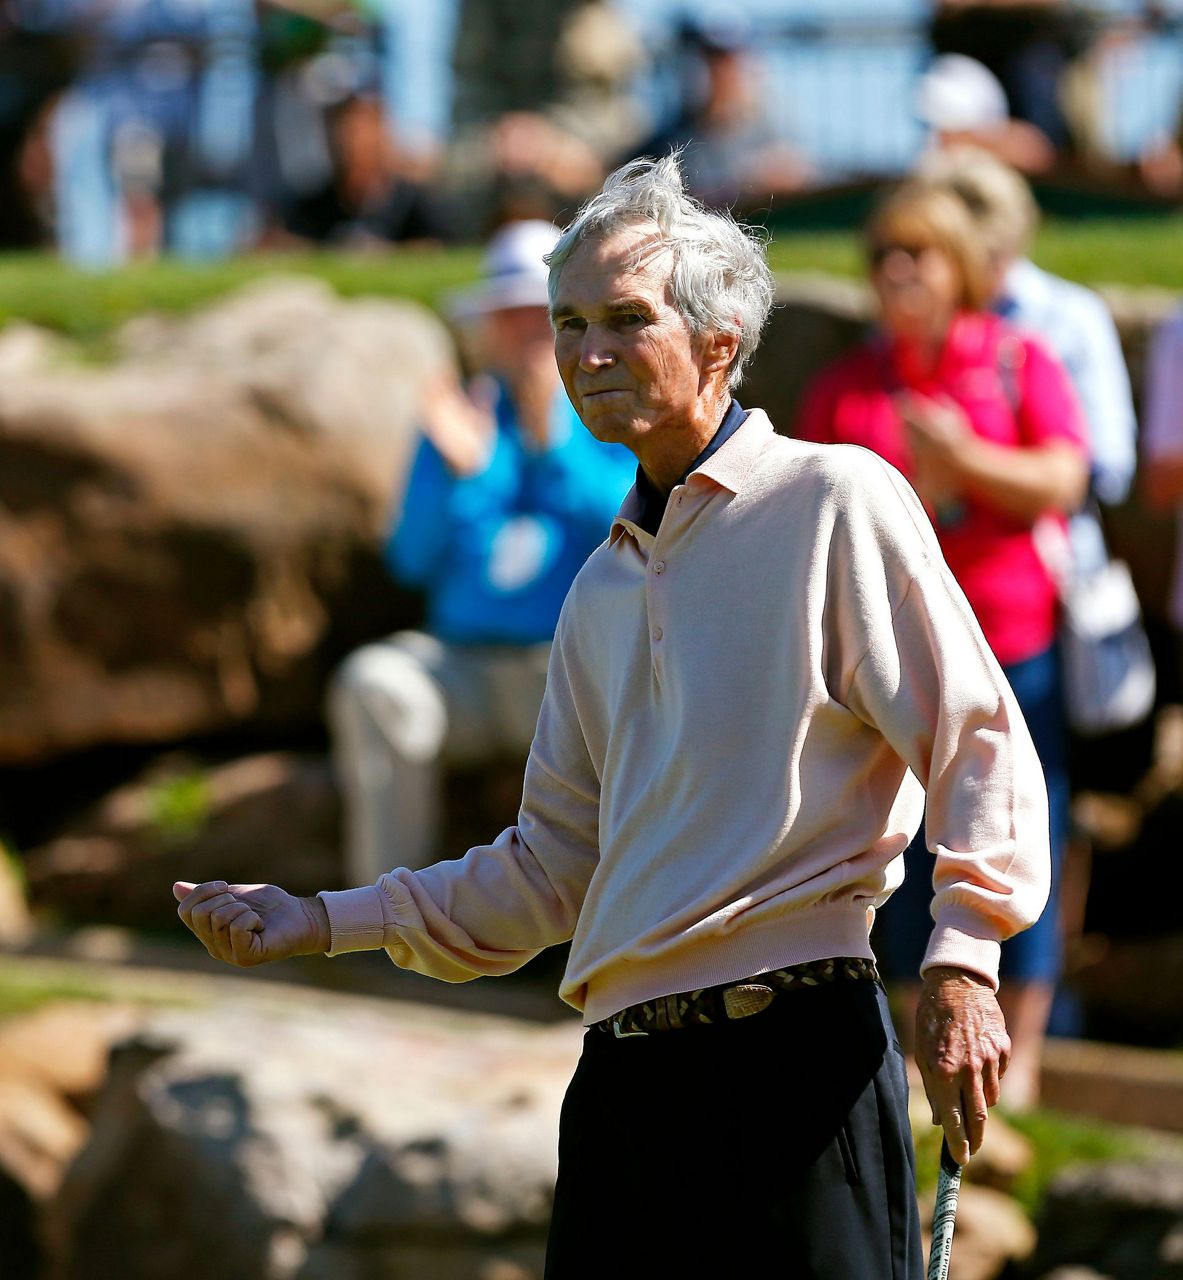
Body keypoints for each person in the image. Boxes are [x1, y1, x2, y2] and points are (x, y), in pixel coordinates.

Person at [175, 156, 1052, 1278]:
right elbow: (551, 867)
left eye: (625, 320)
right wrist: (316, 917)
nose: (586, 353)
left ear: (721, 340)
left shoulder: (838, 500)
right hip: (623, 1090)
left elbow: (976, 738)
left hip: (797, 1064)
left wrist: (965, 955)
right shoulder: (597, 589)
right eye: (567, 322)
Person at [797, 180, 1089, 1109]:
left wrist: (965, 462)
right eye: (884, 256)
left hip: (1011, 648)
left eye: (916, 254)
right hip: (887, 670)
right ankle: (921, 1055)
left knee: (1010, 840)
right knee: (902, 856)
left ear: (957, 266)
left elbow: (1063, 478)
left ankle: (1023, 1058)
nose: (897, 274)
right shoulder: (846, 385)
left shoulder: (1014, 360)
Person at [327, 217, 633, 883]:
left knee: (614, 710)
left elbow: (628, 535)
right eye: (511, 317)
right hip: (461, 669)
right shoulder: (456, 420)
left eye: (543, 316)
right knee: (374, 684)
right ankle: (385, 922)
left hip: (561, 672)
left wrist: (550, 442)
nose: (527, 335)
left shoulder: (612, 414)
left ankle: (597, 949)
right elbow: (410, 561)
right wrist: (467, 478)